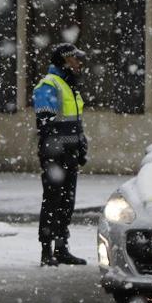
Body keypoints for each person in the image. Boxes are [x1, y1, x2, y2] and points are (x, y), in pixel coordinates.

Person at [33, 43, 89, 266]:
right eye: (75, 59)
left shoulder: (70, 86)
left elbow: (75, 122)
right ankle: (46, 251)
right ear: (65, 61)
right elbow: (46, 125)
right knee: (52, 201)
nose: (79, 63)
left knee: (67, 202)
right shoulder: (49, 85)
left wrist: (81, 144)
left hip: (70, 155)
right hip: (55, 156)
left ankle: (62, 248)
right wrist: (59, 148)